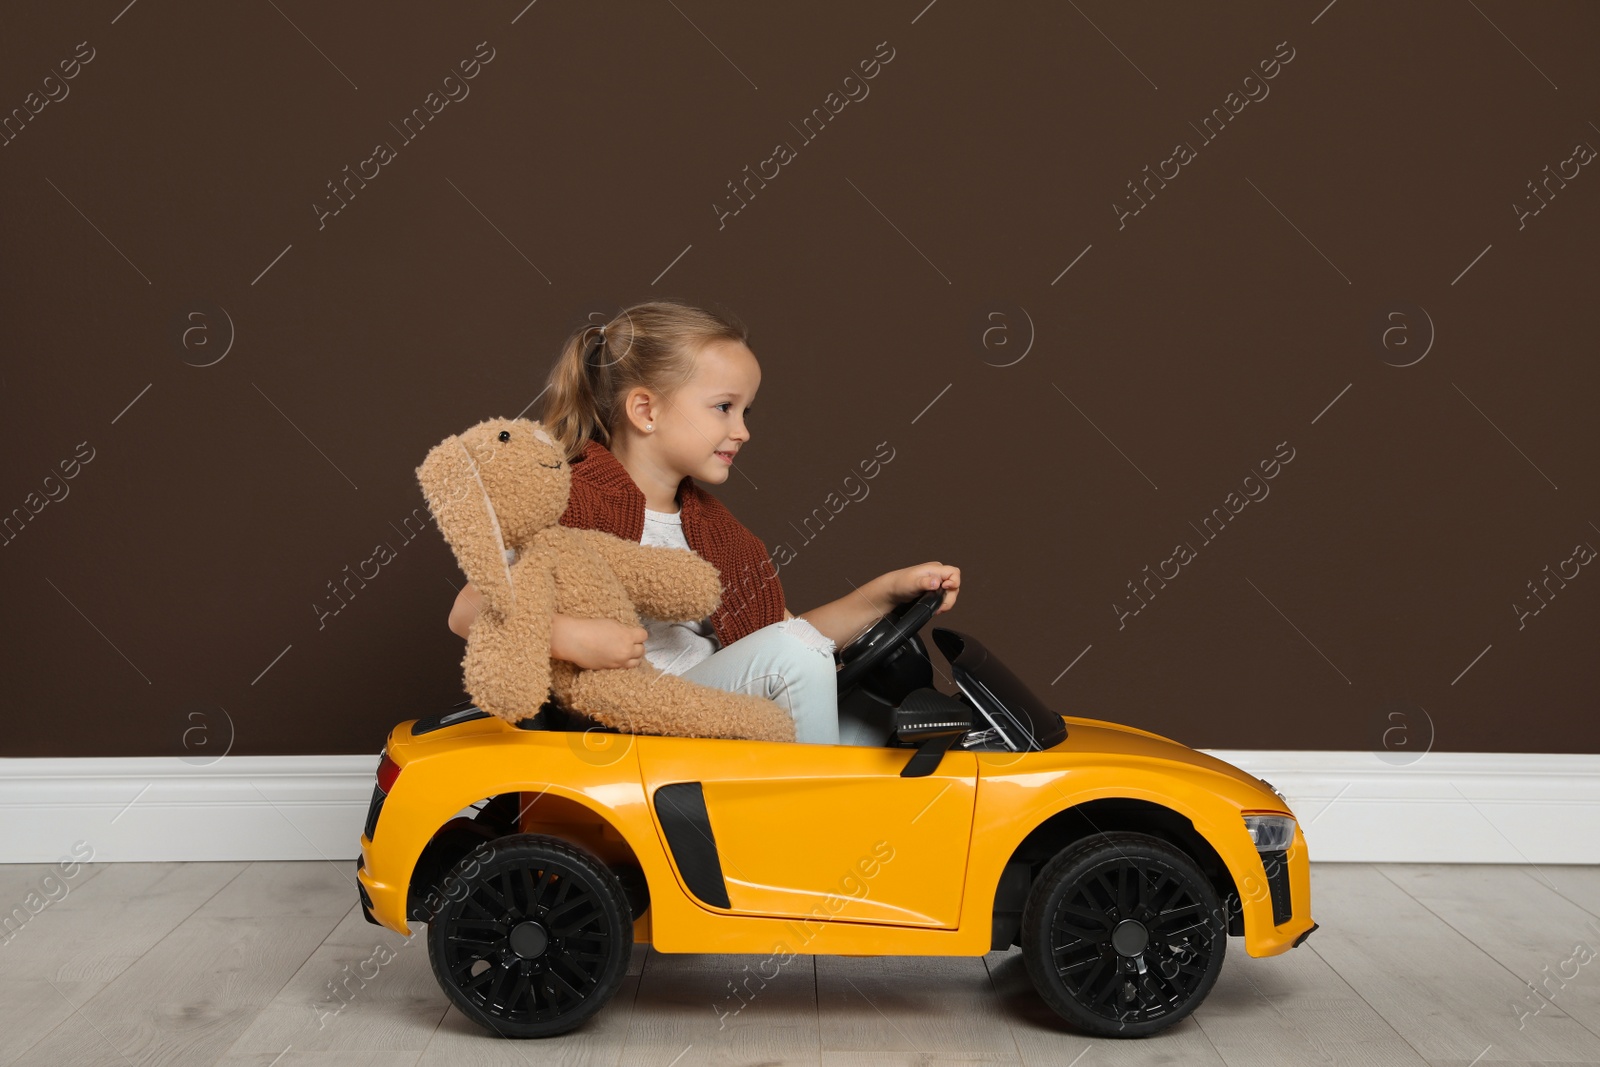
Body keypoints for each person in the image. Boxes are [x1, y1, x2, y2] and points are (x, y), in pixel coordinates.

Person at [448, 298, 960, 745]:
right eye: (723, 408)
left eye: (746, 413)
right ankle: (812, 838)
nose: (741, 431)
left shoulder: (717, 531)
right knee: (800, 661)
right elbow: (467, 610)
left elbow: (784, 636)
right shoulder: (570, 500)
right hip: (637, 720)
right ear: (646, 411)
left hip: (717, 709)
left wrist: (884, 594)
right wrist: (566, 637)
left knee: (874, 721)